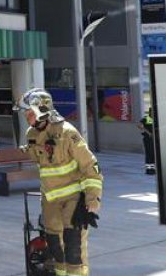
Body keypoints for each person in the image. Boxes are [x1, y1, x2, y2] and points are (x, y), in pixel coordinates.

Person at [19, 88, 103, 276]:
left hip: (73, 199)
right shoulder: (31, 134)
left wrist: (93, 199)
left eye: (29, 112)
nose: (26, 116)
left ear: (42, 110)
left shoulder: (67, 133)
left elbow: (91, 165)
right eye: (25, 112)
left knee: (73, 248)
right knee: (55, 247)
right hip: (50, 200)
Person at [139, 107, 156, 175]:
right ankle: (149, 170)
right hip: (148, 139)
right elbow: (139, 125)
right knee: (149, 154)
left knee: (154, 154)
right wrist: (148, 133)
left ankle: (153, 169)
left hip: (154, 139)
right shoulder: (146, 118)